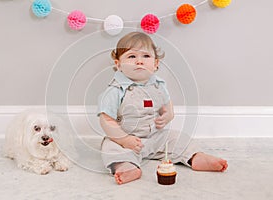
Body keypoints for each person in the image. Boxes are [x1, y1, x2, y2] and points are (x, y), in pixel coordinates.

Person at [97, 32, 228, 185]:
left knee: (177, 137)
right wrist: (124, 139)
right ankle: (126, 166)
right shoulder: (115, 90)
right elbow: (106, 120)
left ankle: (195, 156)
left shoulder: (158, 85)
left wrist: (168, 115)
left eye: (146, 56)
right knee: (110, 148)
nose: (139, 61)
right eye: (132, 57)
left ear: (156, 63)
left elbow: (167, 105)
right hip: (126, 141)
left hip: (155, 138)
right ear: (118, 64)